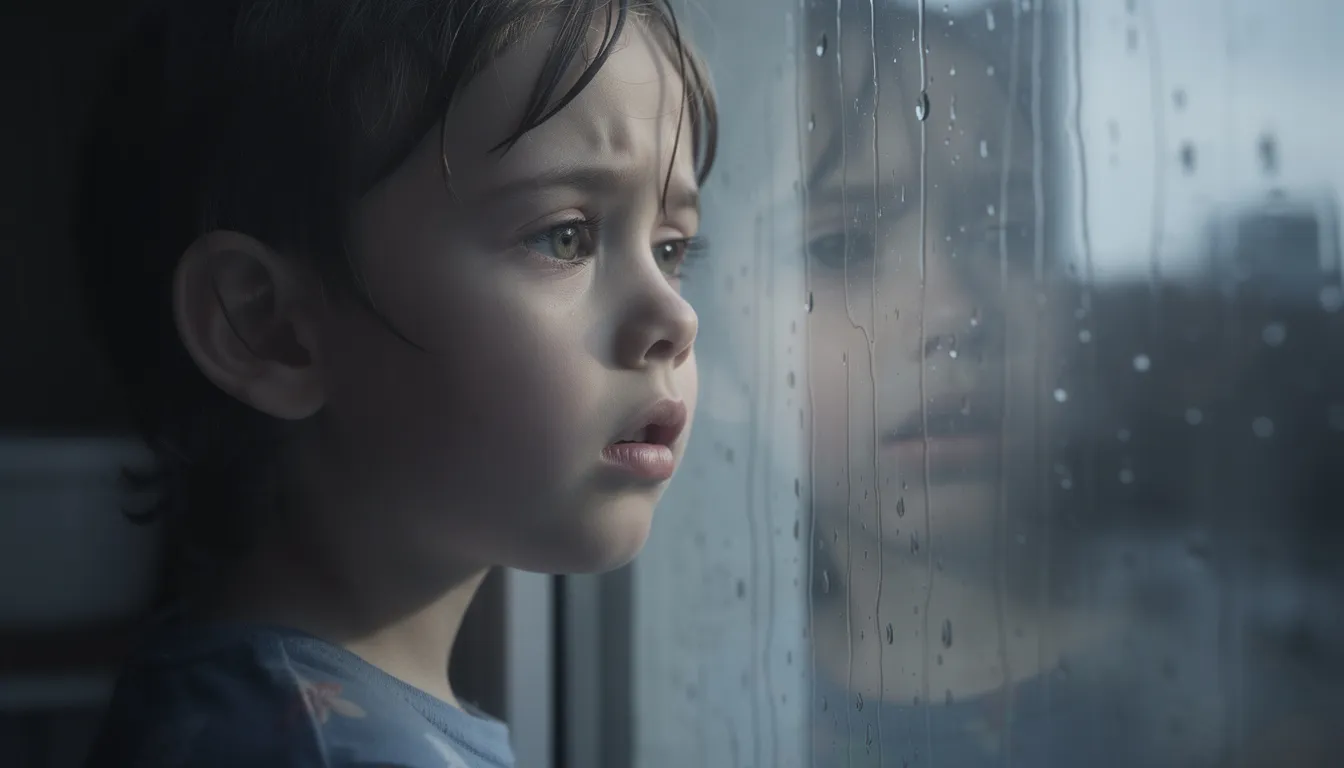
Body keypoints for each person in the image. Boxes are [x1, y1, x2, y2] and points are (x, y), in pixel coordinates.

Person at [75, 1, 717, 766]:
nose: (675, 317)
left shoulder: (233, 695)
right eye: (566, 235)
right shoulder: (323, 750)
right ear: (269, 329)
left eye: (672, 247)